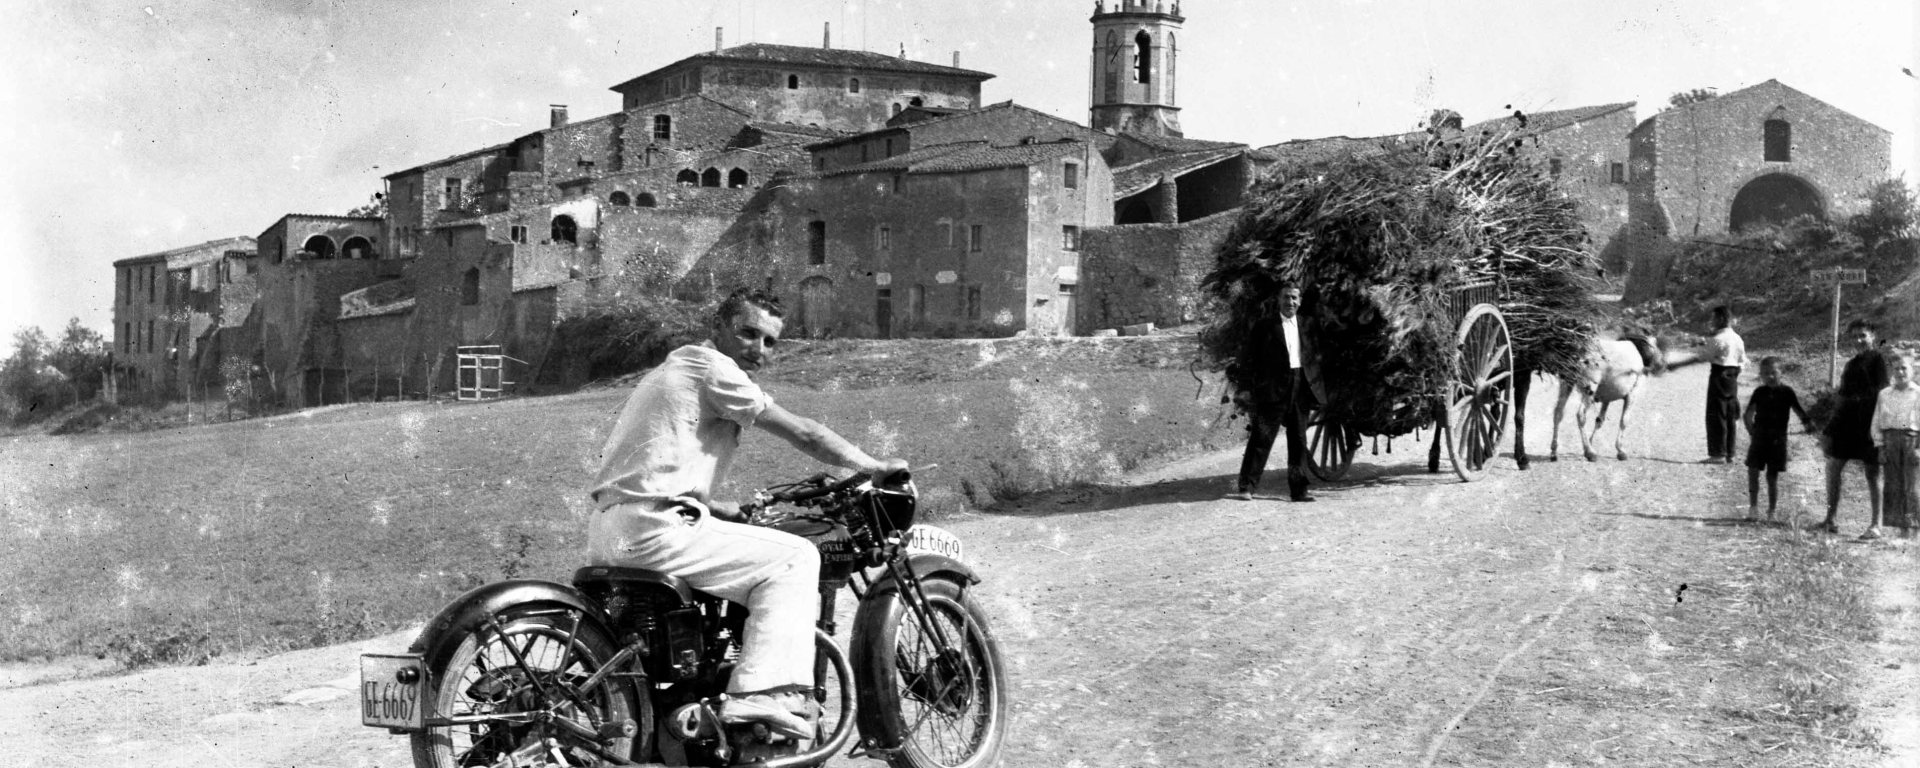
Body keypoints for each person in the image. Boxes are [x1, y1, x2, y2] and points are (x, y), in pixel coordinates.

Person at [586, 288, 905, 738]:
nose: (758, 349)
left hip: (612, 528)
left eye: (770, 341)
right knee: (795, 558)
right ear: (718, 329)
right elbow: (806, 434)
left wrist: (715, 507)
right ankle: (761, 695)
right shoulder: (714, 367)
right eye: (747, 333)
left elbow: (649, 464)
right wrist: (871, 465)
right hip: (656, 529)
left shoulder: (673, 369)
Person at [1229, 282, 1322, 503]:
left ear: (1300, 302)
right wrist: (1247, 388)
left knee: (1298, 441)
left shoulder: (1308, 324)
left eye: (1294, 298)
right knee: (1262, 438)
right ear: (1278, 300)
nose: (1290, 302)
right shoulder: (1264, 326)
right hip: (1272, 389)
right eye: (1286, 297)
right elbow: (1249, 358)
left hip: (1300, 387)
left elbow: (1316, 356)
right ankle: (1246, 487)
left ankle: (1299, 492)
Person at [1814, 319, 1888, 535]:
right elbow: (1842, 397)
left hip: (1870, 423)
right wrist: (1829, 427)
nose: (1859, 340)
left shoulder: (1878, 360)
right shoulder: (1851, 365)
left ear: (1872, 336)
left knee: (1873, 473)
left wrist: (1879, 427)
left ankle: (1876, 524)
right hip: (1847, 424)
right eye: (1855, 336)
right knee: (1833, 466)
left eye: (1863, 335)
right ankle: (1830, 519)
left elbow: (1881, 392)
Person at [1740, 356, 1812, 522]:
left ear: (1781, 372)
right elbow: (1748, 414)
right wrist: (1752, 432)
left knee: (1772, 477)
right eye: (1766, 373)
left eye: (1774, 372)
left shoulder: (1787, 392)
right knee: (1752, 472)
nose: (1770, 376)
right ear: (1761, 375)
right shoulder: (1759, 392)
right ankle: (1753, 508)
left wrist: (1808, 425)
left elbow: (1799, 410)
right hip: (1759, 439)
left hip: (1777, 440)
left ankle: (1771, 512)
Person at [1871, 351, 1920, 540]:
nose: (1900, 372)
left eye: (1904, 368)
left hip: (1911, 441)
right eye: (1896, 368)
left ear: (1912, 370)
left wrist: (1918, 449)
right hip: (1890, 441)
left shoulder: (1918, 394)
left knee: (1912, 487)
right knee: (1893, 486)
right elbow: (1877, 421)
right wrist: (1881, 446)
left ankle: (1914, 530)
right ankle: (1900, 529)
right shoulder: (1884, 394)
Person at [1704, 305, 1747, 464]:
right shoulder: (1737, 339)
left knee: (1716, 414)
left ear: (1721, 319)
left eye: (1714, 318)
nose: (1712, 321)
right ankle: (1730, 453)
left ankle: (1718, 454)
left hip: (1718, 376)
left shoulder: (1718, 339)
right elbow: (1742, 361)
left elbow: (1705, 356)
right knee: (1730, 414)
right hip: (1732, 378)